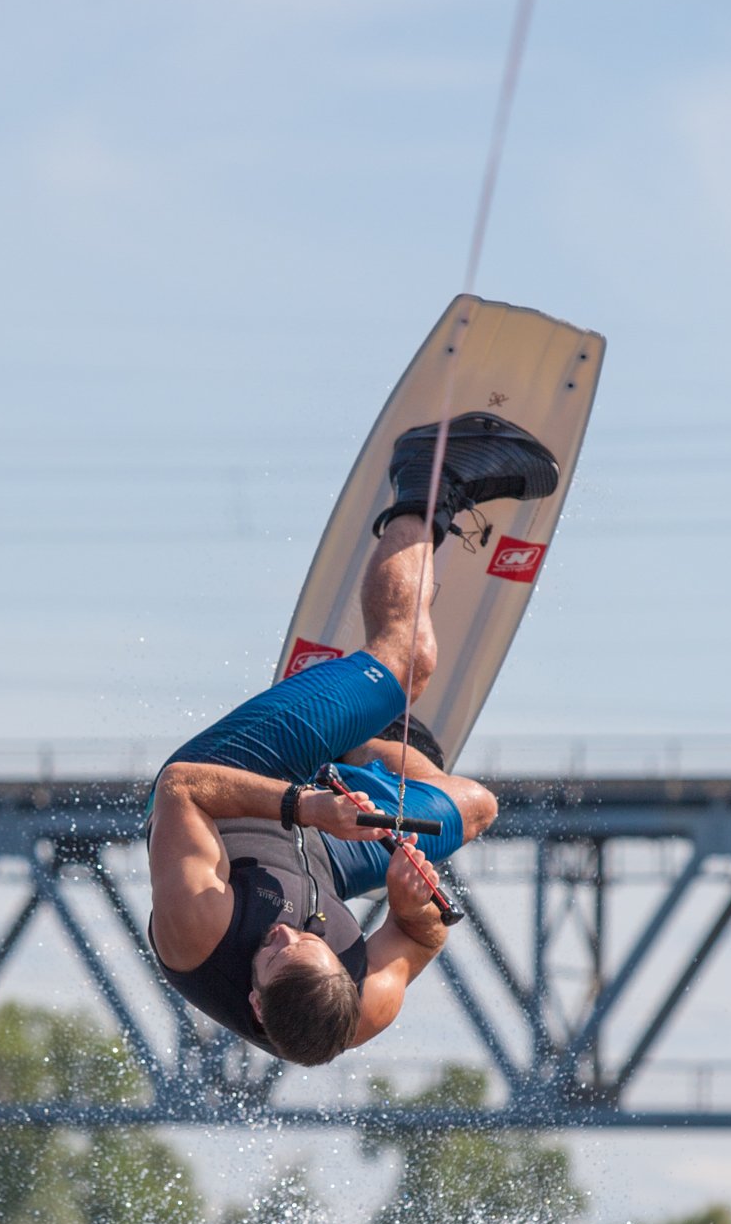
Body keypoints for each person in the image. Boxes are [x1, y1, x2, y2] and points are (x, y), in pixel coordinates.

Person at [147, 412, 559, 1065]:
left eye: (275, 951)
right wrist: (405, 902)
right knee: (474, 805)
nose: (285, 935)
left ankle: (426, 478)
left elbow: (181, 790)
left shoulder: (196, 931)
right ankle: (362, 735)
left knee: (407, 663)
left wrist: (305, 806)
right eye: (306, 943)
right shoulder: (361, 1007)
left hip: (232, 778)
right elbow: (419, 942)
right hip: (330, 846)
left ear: (254, 1002)